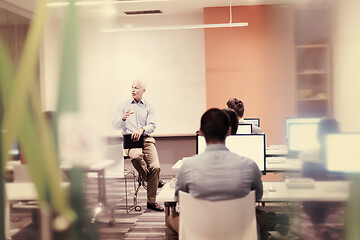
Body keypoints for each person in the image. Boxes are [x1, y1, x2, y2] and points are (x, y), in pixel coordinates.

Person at [167, 108, 267, 240]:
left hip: (200, 229)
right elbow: (258, 195)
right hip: (237, 227)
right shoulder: (249, 165)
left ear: (201, 132)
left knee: (171, 219)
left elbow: (179, 197)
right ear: (229, 131)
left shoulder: (187, 167)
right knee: (263, 216)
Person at [113, 80, 164, 212]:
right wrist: (122, 118)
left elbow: (152, 125)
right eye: (132, 87)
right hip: (131, 141)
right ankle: (151, 179)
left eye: (136, 88)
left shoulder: (148, 106)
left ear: (143, 91)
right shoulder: (123, 105)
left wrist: (142, 129)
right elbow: (115, 125)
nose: (133, 90)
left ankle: (151, 202)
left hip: (146, 139)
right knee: (136, 157)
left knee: (156, 167)